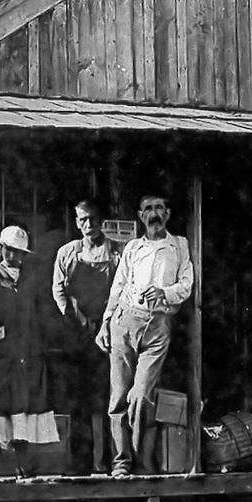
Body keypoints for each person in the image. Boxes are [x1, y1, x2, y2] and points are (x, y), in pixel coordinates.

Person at [96, 194, 194, 477]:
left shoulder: (179, 245)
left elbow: (187, 284)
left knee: (140, 395)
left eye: (159, 208)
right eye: (148, 209)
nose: (154, 214)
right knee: (118, 397)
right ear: (140, 216)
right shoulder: (132, 247)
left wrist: (165, 293)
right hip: (124, 321)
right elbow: (118, 285)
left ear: (168, 213)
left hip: (158, 325)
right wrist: (105, 322)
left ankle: (141, 461)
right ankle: (121, 462)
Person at [52, 199, 124, 473]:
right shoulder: (67, 253)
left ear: (101, 221)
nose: (88, 225)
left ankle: (106, 462)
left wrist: (107, 322)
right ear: (76, 221)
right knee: (78, 399)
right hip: (77, 333)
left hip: (108, 331)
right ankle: (79, 464)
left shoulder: (116, 253)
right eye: (82, 220)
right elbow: (58, 290)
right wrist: (73, 319)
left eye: (92, 219)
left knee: (107, 396)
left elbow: (122, 289)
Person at [0, 225, 51, 473]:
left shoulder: (30, 280)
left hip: (26, 353)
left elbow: (40, 315)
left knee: (23, 408)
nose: (13, 257)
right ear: (0, 248)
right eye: (9, 251)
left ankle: (24, 464)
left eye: (19, 252)